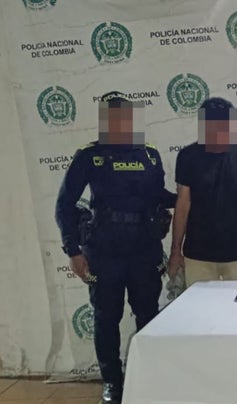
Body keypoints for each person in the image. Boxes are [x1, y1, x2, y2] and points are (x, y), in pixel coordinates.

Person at [55, 91, 176, 403]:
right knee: (106, 318)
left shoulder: (149, 154)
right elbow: (64, 205)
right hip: (104, 252)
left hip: (144, 250)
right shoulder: (89, 155)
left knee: (148, 314)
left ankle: (149, 376)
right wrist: (73, 251)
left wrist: (189, 196)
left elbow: (159, 195)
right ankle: (112, 382)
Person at [167, 97, 237, 287]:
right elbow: (182, 206)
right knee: (200, 307)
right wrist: (175, 251)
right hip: (198, 255)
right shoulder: (187, 156)